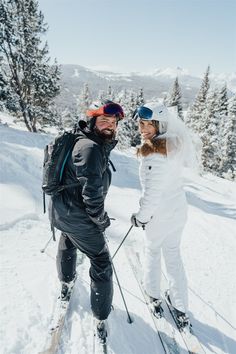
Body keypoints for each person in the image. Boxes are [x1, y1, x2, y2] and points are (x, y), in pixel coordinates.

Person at [50, 101, 124, 338]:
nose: (109, 126)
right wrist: (100, 220)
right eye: (104, 121)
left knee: (68, 239)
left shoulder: (81, 141)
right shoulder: (90, 148)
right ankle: (101, 316)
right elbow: (92, 195)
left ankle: (66, 282)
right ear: (92, 122)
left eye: (113, 123)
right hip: (79, 216)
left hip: (62, 212)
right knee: (101, 260)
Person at [131, 103, 198, 326]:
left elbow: (152, 194)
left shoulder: (154, 156)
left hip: (159, 215)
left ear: (160, 125)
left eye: (148, 125)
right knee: (173, 256)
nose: (142, 129)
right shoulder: (172, 145)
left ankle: (153, 294)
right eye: (141, 124)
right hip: (178, 211)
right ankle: (180, 306)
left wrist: (141, 217)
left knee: (152, 252)